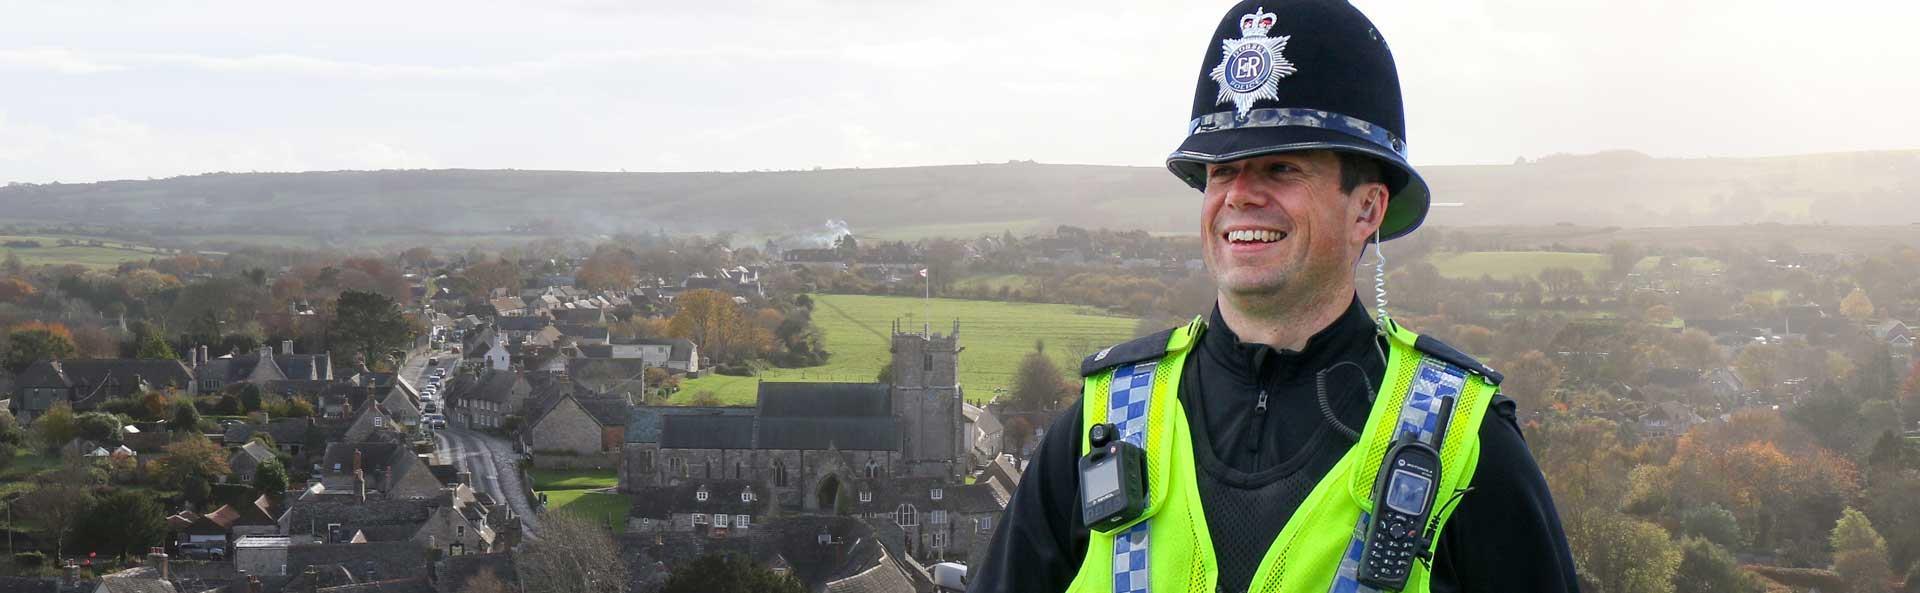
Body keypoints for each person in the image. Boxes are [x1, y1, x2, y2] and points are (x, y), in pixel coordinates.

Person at [969, 1, 1579, 592]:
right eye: (1220, 170)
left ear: (1366, 208)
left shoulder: (1462, 442)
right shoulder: (1103, 423)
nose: (1239, 195)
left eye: (1281, 168)